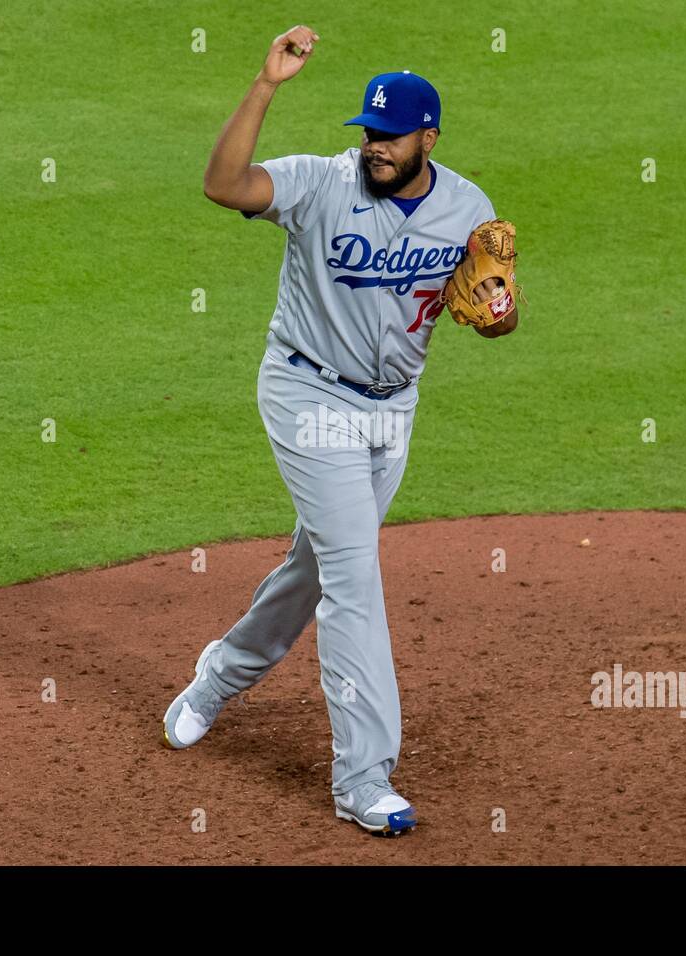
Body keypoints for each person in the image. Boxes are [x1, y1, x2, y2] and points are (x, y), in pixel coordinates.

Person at [163, 24, 518, 836]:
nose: (376, 147)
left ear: (429, 135)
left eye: (392, 135)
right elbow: (225, 185)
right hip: (307, 394)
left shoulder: (470, 210)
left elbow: (494, 315)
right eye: (368, 132)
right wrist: (265, 86)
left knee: (316, 568)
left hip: (393, 411)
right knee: (356, 579)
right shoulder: (322, 184)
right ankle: (363, 780)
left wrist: (499, 314)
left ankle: (218, 676)